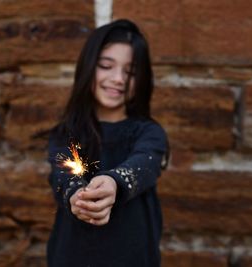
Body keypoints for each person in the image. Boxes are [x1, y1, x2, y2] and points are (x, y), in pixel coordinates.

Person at [47, 19, 168, 267]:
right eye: (106, 66)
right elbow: (64, 175)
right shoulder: (67, 135)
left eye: (130, 71)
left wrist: (114, 182)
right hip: (72, 257)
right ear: (88, 67)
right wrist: (77, 196)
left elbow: (144, 163)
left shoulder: (149, 133)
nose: (118, 79)